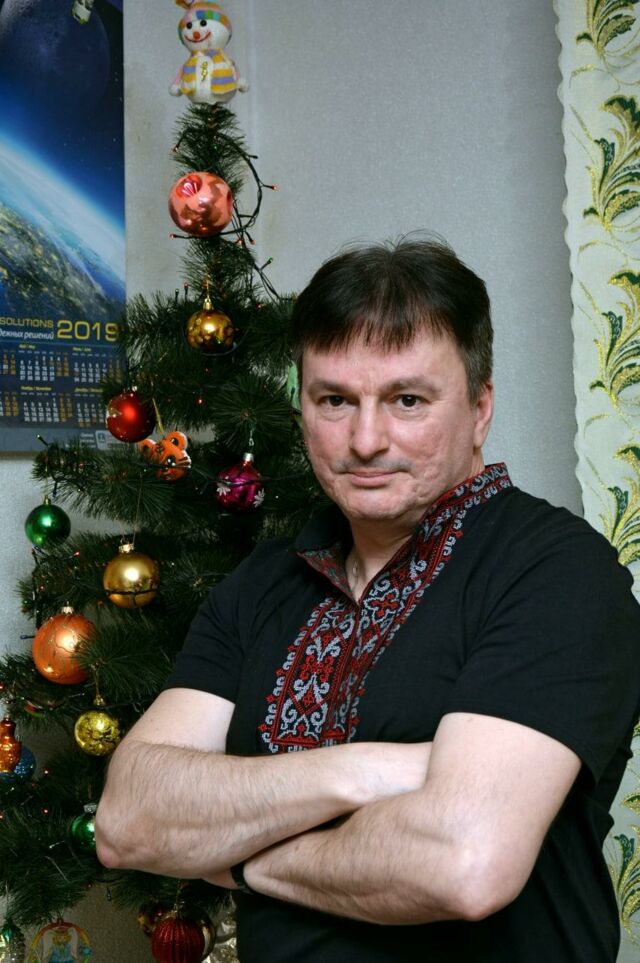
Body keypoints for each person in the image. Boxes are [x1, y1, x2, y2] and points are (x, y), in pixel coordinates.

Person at [95, 238, 640, 962]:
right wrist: (370, 770)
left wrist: (248, 863)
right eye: (335, 401)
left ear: (480, 408)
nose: (365, 439)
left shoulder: (554, 570)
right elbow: (127, 819)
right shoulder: (263, 581)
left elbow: (464, 863)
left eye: (407, 400)